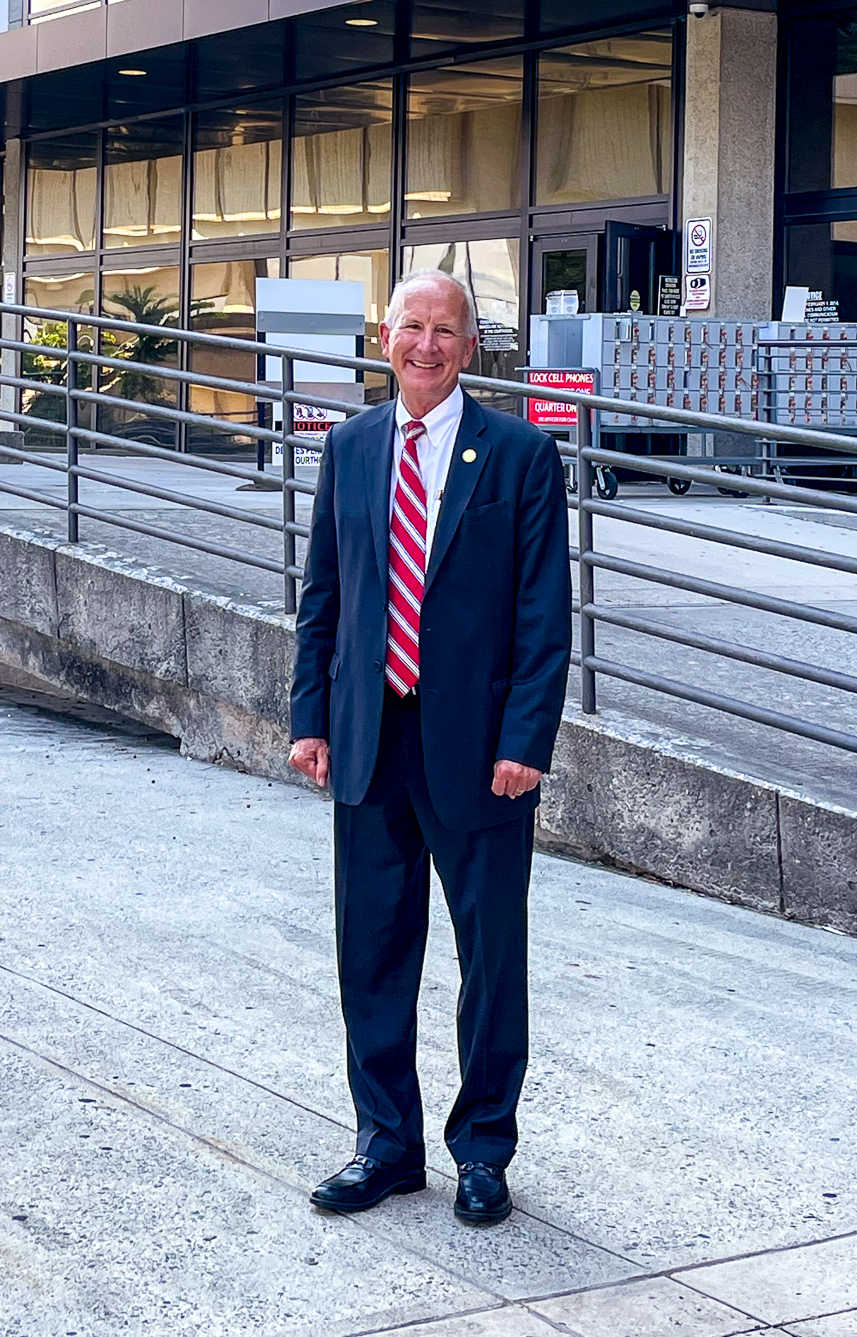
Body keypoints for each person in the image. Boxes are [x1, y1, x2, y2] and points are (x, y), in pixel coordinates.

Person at [289, 271, 571, 1227]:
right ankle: (386, 1146)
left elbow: (542, 615)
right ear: (384, 334)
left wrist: (525, 739)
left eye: (443, 330)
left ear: (469, 344)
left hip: (482, 754)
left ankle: (483, 1150)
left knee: (490, 956)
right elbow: (323, 594)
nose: (425, 344)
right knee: (371, 951)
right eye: (410, 326)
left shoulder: (522, 455)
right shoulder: (352, 447)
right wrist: (309, 718)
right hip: (368, 741)